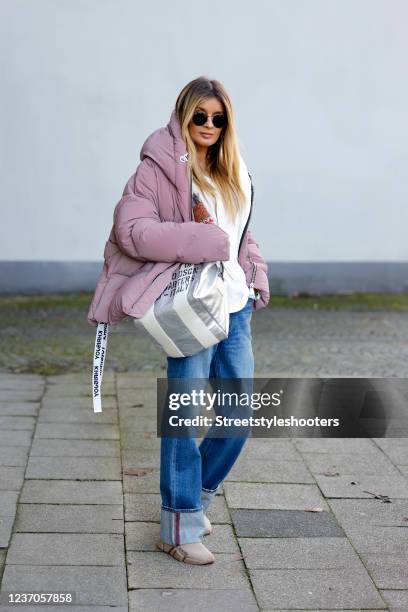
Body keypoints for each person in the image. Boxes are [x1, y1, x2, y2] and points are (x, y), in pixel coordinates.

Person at [87, 76, 270, 565]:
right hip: (189, 306)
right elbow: (132, 232)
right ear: (182, 116)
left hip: (235, 307)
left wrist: (256, 273)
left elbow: (242, 234)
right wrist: (202, 240)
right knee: (185, 417)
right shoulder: (157, 169)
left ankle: (197, 501)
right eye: (199, 117)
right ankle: (177, 526)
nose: (209, 126)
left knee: (239, 416)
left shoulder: (236, 169)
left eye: (218, 118)